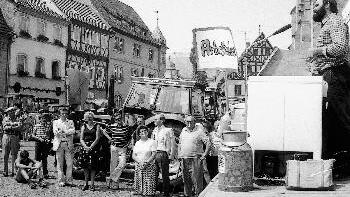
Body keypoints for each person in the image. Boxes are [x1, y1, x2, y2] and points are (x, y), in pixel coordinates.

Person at [309, 0, 350, 162]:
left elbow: (340, 47)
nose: (313, 8)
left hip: (336, 75)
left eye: (316, 4)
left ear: (327, 4)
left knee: (342, 118)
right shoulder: (327, 24)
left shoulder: (335, 21)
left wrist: (318, 51)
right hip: (329, 75)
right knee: (332, 120)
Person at [178, 116, 211, 197]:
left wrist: (204, 154)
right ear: (185, 122)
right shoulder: (183, 130)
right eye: (187, 122)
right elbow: (180, 143)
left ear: (194, 122)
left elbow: (208, 143)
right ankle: (188, 195)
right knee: (186, 180)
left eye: (191, 122)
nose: (189, 123)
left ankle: (199, 195)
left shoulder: (199, 132)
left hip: (195, 159)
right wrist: (179, 154)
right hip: (184, 159)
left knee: (197, 180)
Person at [104, 112, 136, 189]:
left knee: (122, 164)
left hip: (122, 149)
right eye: (116, 119)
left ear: (122, 118)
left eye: (119, 118)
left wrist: (128, 144)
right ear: (114, 119)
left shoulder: (127, 127)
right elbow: (104, 131)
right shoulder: (112, 126)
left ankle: (111, 178)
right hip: (114, 148)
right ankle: (114, 184)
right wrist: (110, 139)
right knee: (113, 166)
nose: (118, 120)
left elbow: (130, 136)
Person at [151, 114, 176, 197]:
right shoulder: (154, 130)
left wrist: (171, 155)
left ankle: (166, 193)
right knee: (154, 173)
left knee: (165, 174)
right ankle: (152, 191)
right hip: (155, 153)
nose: (154, 121)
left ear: (161, 121)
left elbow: (172, 144)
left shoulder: (168, 130)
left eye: (156, 119)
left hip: (163, 153)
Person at [52, 107, 75, 187]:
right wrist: (61, 132)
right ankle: (61, 180)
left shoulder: (70, 121)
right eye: (62, 113)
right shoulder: (55, 122)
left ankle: (69, 180)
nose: (64, 115)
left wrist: (64, 132)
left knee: (69, 163)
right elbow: (55, 132)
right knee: (59, 163)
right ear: (59, 114)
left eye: (65, 113)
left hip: (68, 144)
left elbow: (73, 131)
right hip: (59, 144)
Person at [78, 111, 101, 191]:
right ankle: (86, 183)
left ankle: (92, 184)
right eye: (88, 117)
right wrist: (85, 147)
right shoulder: (83, 126)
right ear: (86, 118)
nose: (90, 119)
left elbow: (97, 138)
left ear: (93, 117)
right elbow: (81, 139)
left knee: (93, 167)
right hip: (85, 148)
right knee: (85, 167)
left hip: (94, 148)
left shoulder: (97, 126)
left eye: (91, 117)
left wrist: (91, 147)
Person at [132, 126, 157, 196]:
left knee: (148, 193)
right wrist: (140, 162)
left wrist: (146, 162)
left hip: (149, 165)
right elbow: (133, 155)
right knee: (140, 191)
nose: (144, 132)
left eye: (145, 130)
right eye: (141, 131)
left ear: (147, 132)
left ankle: (148, 192)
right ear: (139, 134)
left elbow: (154, 154)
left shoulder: (152, 142)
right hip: (139, 164)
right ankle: (139, 190)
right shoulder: (137, 143)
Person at [2, 107, 22, 177]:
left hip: (14, 136)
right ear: (8, 113)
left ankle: (14, 171)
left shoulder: (18, 119)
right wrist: (14, 125)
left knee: (14, 154)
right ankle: (5, 171)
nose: (12, 113)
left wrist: (10, 125)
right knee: (5, 155)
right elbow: (5, 128)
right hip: (6, 136)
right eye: (10, 112)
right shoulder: (5, 119)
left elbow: (20, 127)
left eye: (13, 111)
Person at [31, 114, 52, 178]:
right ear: (40, 119)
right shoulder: (37, 126)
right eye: (43, 119)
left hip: (45, 144)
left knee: (44, 159)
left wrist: (48, 139)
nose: (44, 120)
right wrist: (39, 138)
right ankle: (34, 173)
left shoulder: (48, 127)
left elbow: (49, 135)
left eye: (45, 119)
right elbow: (32, 135)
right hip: (38, 143)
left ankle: (45, 173)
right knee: (37, 159)